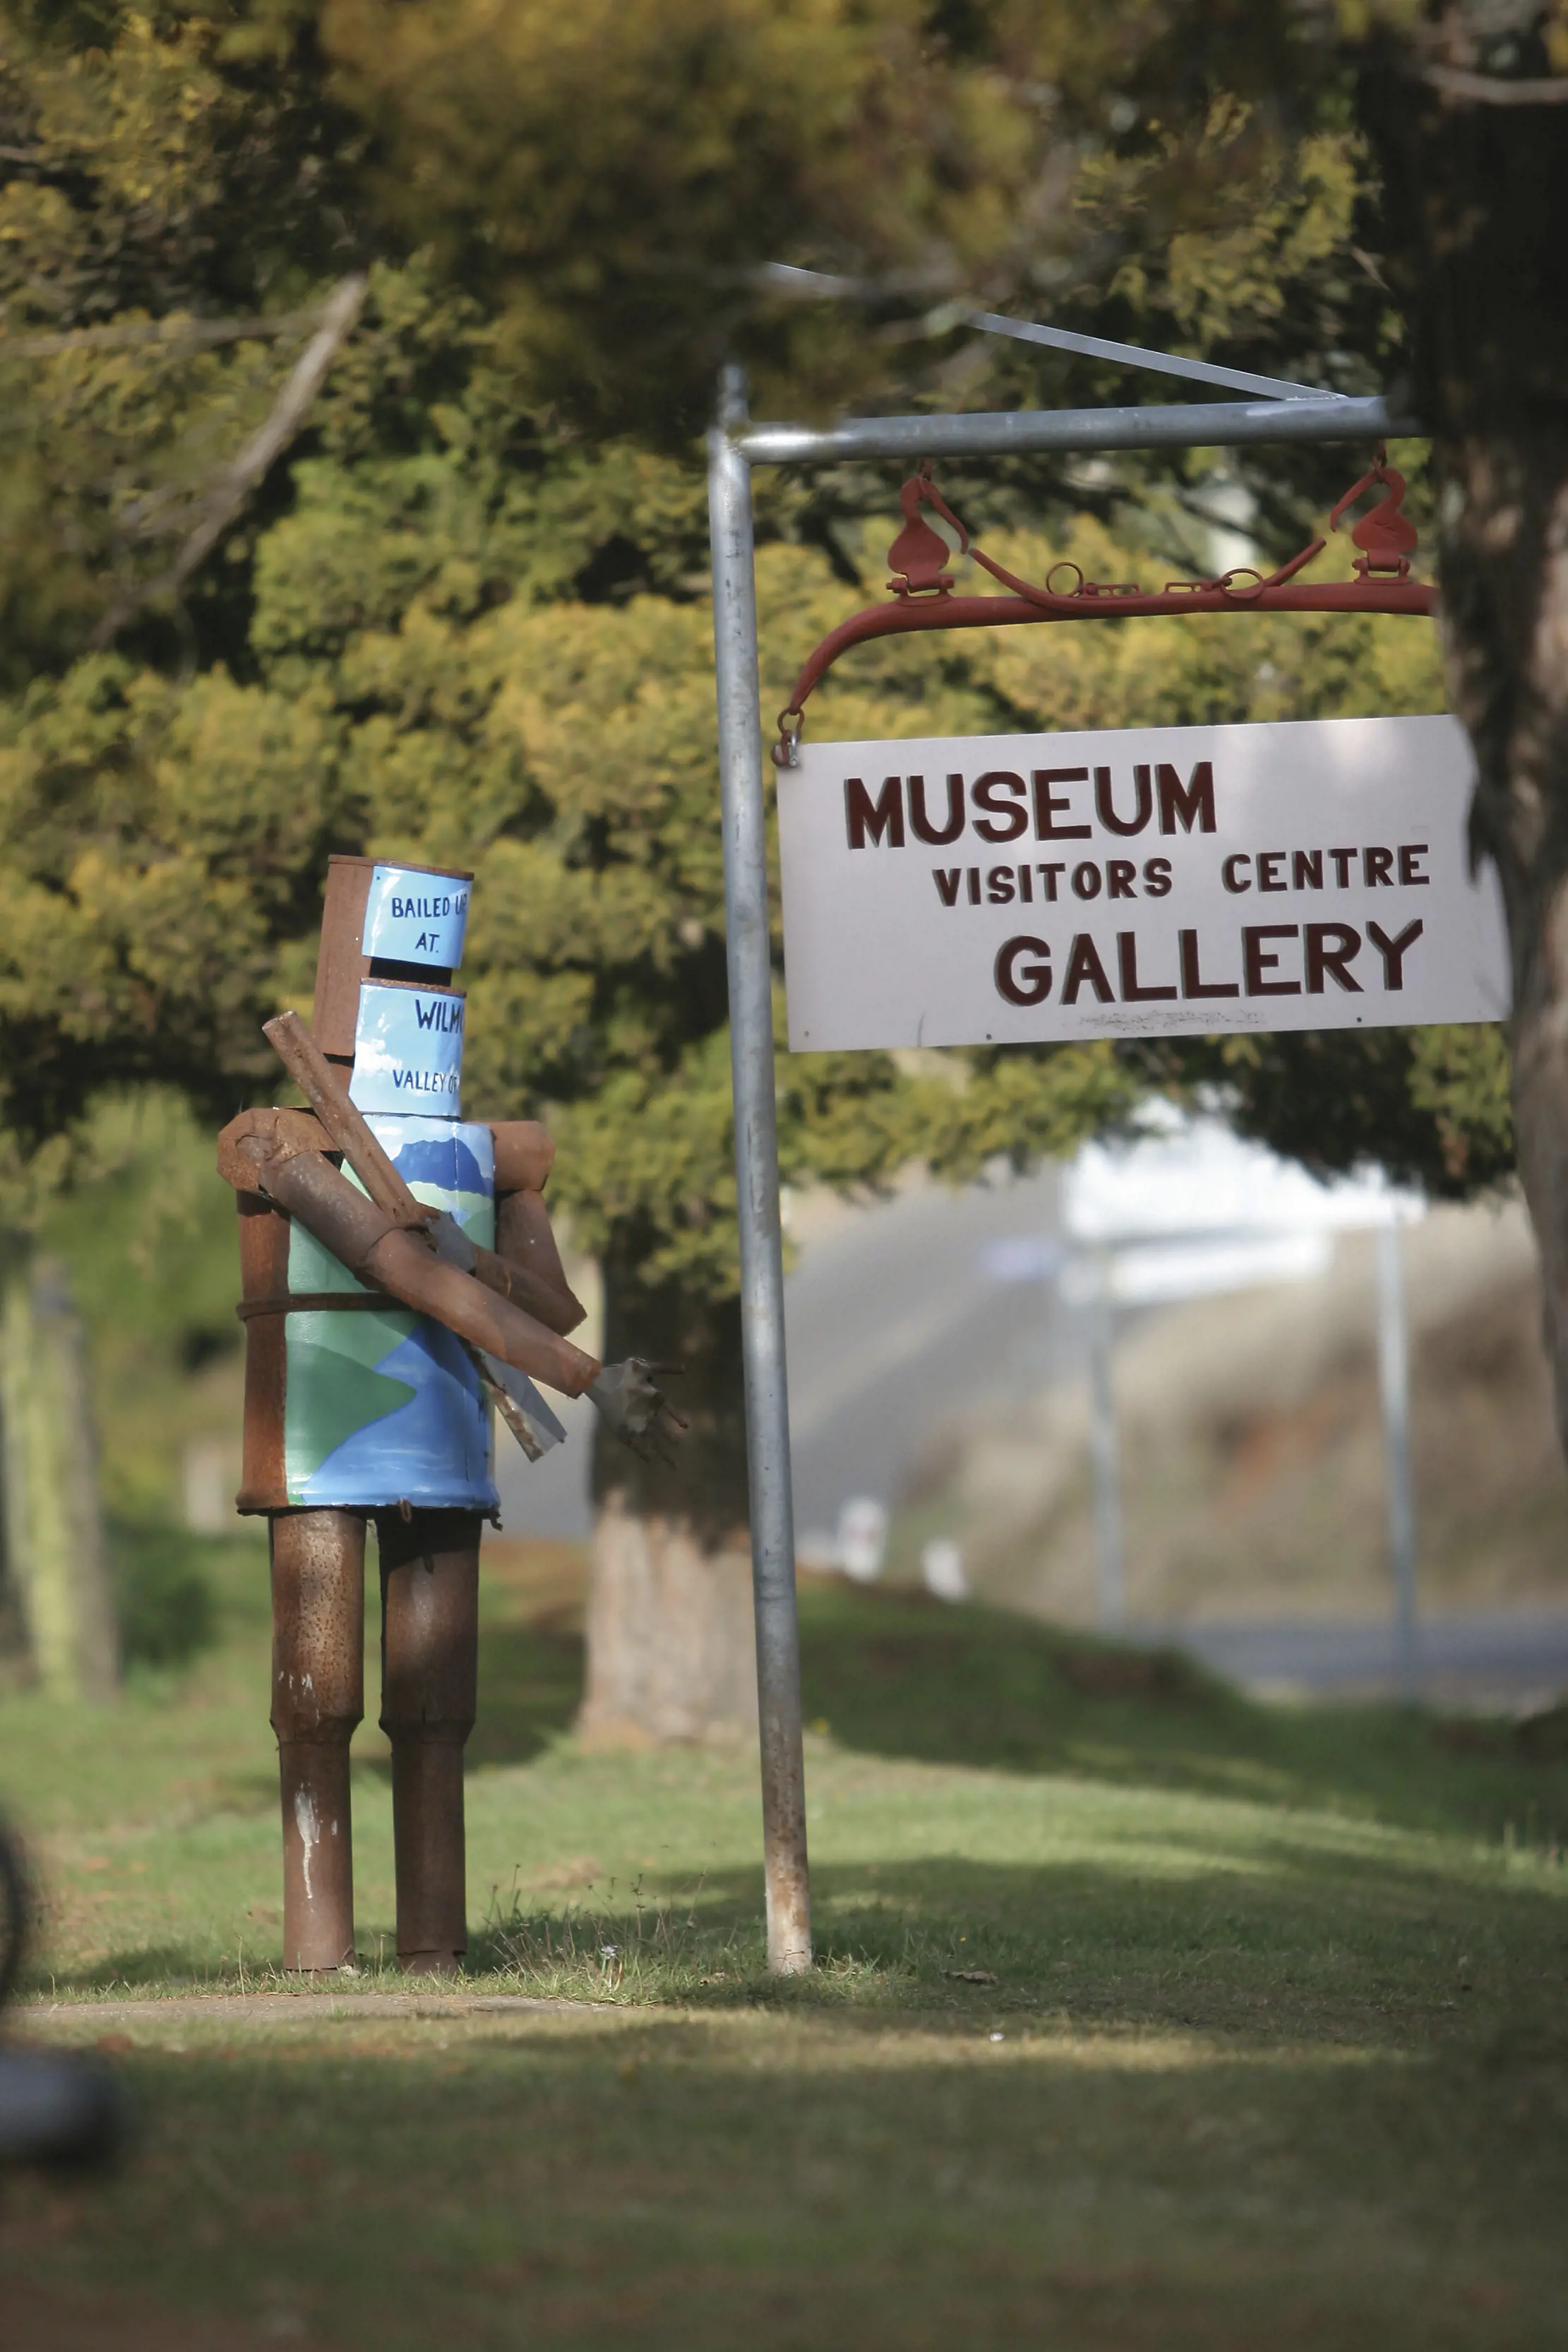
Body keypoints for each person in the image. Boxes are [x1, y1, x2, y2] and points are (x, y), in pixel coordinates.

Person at [217, 855, 679, 1972]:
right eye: (389, 964)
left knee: (435, 1703)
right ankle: (317, 1949)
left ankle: (432, 1946)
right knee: (316, 1698)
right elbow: (405, 1272)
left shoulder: (486, 1153)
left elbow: (523, 1285)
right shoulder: (283, 1140)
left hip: (438, 1445)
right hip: (322, 1447)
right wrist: (583, 1374)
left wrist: (471, 1244)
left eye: (428, 962)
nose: (415, 985)